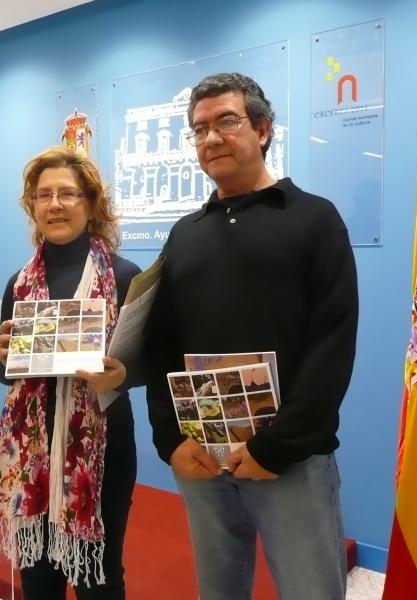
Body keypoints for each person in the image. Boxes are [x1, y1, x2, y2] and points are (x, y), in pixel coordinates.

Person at [144, 73, 359, 600]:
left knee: (311, 592)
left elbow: (333, 342)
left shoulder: (314, 218)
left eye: (227, 122)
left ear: (263, 130)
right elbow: (162, 344)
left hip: (289, 459)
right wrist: (170, 439)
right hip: (203, 454)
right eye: (199, 129)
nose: (211, 138)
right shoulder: (185, 234)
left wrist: (277, 446)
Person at [0, 146, 142, 599]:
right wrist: (2, 357)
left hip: (104, 446)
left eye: (68, 194)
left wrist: (120, 375)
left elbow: (146, 362)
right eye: (44, 195)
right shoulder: (19, 283)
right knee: (38, 578)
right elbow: (3, 371)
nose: (55, 205)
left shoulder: (124, 277)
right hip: (30, 451)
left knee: (99, 577)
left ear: (91, 204)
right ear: (33, 207)